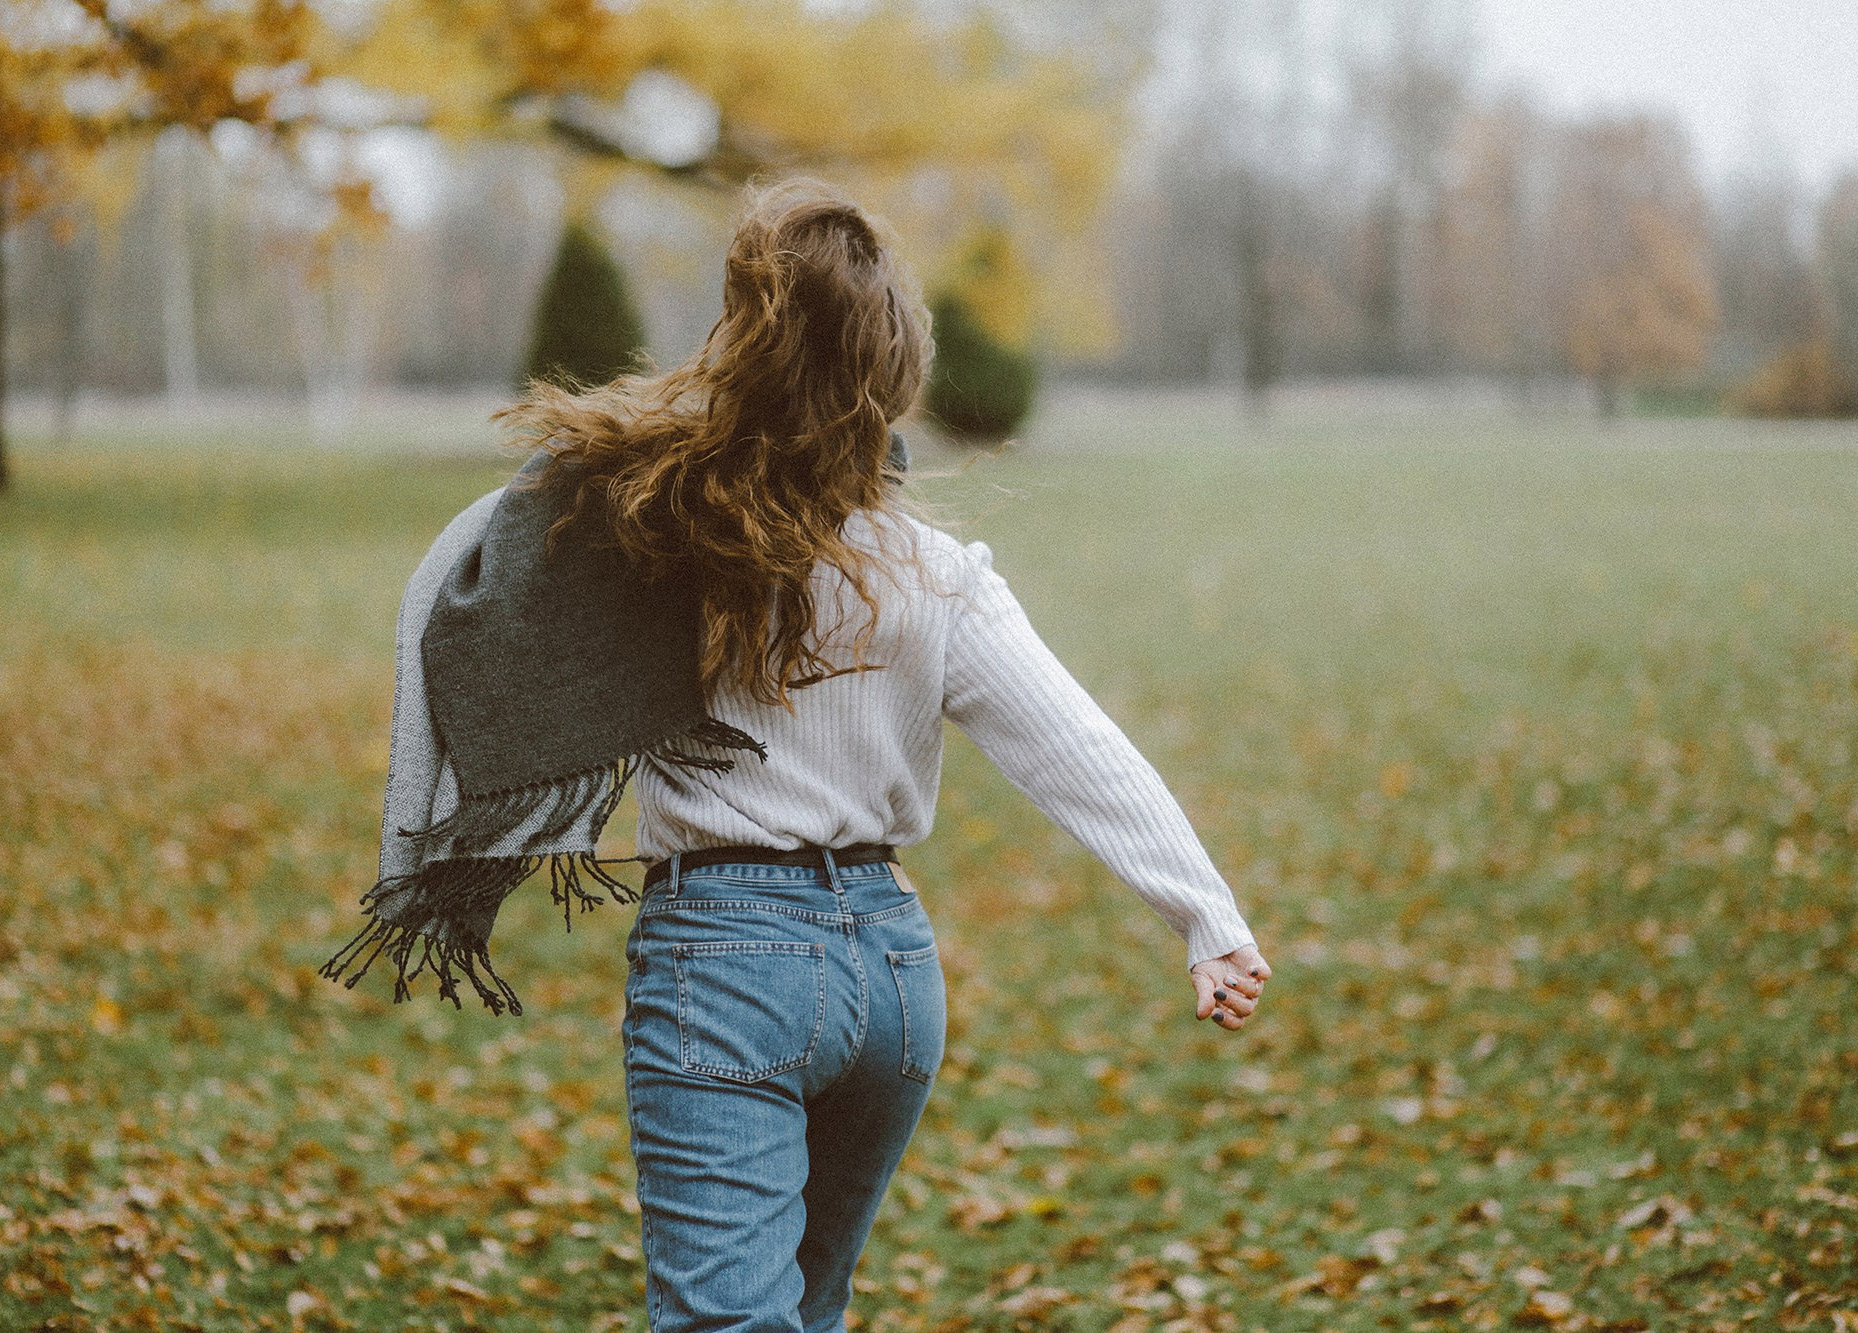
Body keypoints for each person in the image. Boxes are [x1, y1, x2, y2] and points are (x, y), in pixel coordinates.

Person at [333, 178, 1269, 1333]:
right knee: (804, 1315)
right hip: (891, 976)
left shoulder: (665, 523)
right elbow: (1076, 744)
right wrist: (1204, 913)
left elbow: (485, 566)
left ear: (742, 340)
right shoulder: (936, 574)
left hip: (722, 964)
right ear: (891, 367)